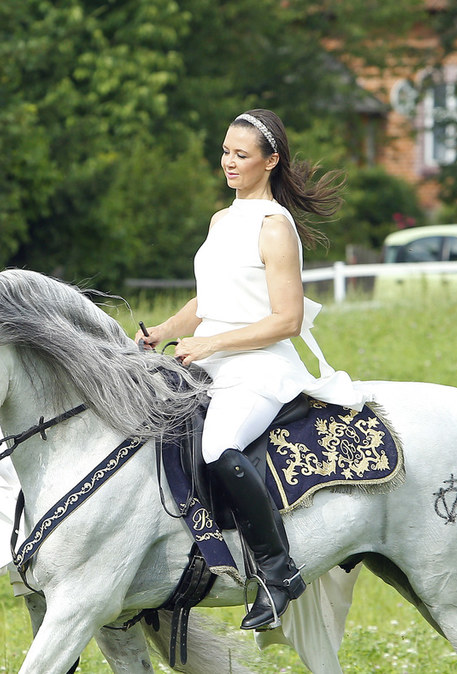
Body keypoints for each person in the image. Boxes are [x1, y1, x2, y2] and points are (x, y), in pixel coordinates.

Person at [136, 109, 365, 630]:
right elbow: (209, 300)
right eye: (225, 152)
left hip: (260, 367)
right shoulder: (222, 220)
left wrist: (210, 342)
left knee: (218, 448)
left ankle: (278, 571)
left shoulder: (274, 227)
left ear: (271, 161)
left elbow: (286, 319)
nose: (229, 163)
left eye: (241, 155)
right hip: (210, 361)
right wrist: (162, 333)